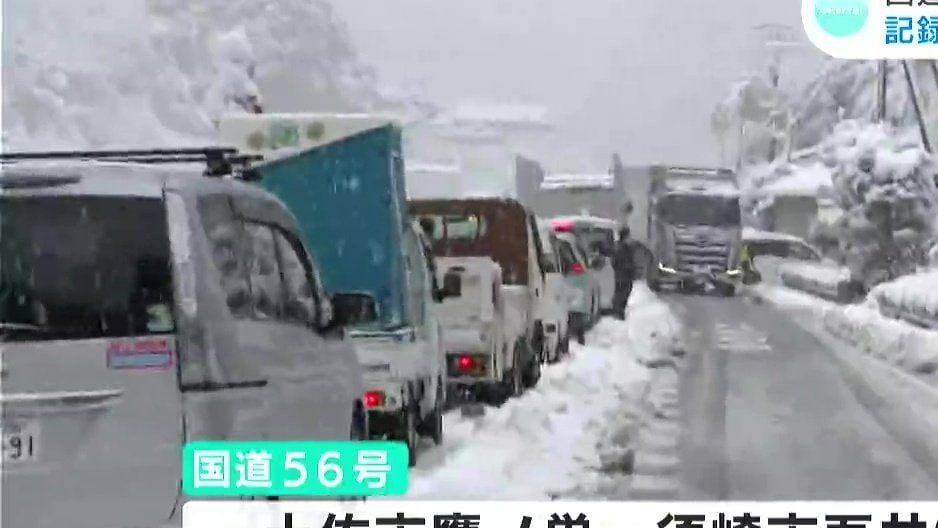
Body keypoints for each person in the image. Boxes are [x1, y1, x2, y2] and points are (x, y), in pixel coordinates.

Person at [611, 226, 636, 320]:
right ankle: (618, 313)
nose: (630, 237)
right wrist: (627, 267)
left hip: (626, 275)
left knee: (624, 294)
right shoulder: (620, 248)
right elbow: (616, 262)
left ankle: (619, 312)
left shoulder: (626, 247)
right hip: (622, 275)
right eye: (628, 235)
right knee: (621, 294)